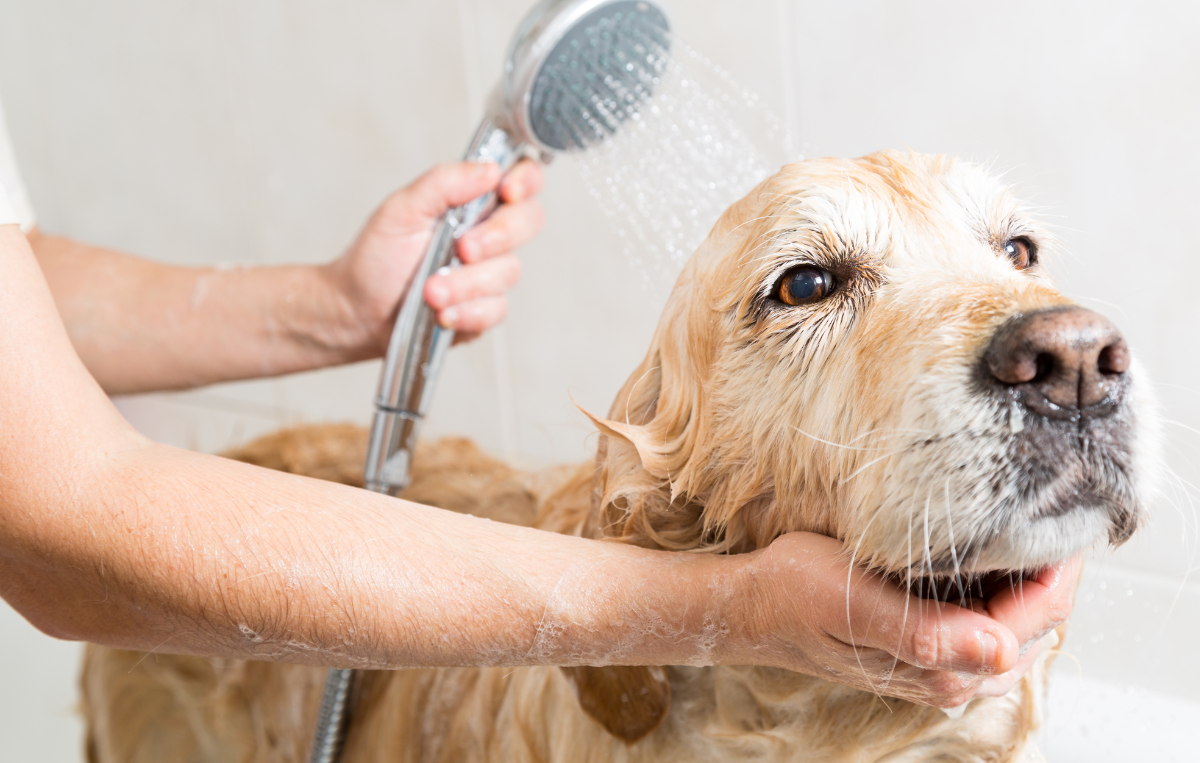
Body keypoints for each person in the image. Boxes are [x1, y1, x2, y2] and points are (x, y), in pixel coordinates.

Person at [0, 100, 1074, 710]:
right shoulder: (667, 574)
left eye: (1014, 249)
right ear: (673, 491)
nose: (1052, 335)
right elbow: (57, 519)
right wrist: (719, 611)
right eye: (809, 285)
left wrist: (326, 308)